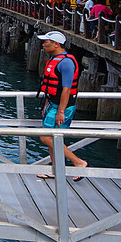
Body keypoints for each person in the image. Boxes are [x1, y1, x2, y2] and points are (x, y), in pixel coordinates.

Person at [35, 31, 89, 180]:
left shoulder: (66, 62)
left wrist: (61, 111)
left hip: (62, 107)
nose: (43, 44)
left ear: (56, 44)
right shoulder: (54, 59)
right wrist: (47, 103)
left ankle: (79, 162)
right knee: (51, 139)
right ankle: (57, 170)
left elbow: (66, 89)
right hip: (52, 104)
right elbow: (52, 88)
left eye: (46, 42)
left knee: (48, 138)